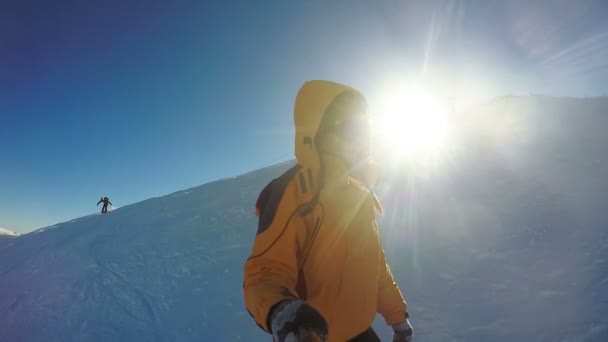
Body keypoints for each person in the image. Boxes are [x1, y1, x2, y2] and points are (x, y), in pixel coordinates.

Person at [243, 80, 413, 342]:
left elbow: (375, 265)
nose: (362, 139)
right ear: (320, 133)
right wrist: (281, 311)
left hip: (364, 334)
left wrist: (397, 316)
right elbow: (265, 272)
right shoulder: (295, 192)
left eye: (365, 128)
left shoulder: (359, 192)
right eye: (351, 129)